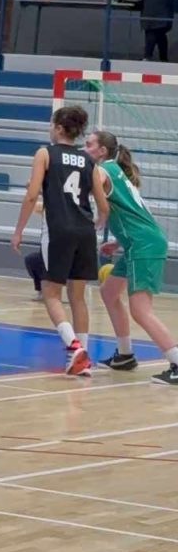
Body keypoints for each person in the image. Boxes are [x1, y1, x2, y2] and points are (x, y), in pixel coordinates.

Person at [11, 105, 109, 376]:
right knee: (78, 297)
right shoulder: (88, 160)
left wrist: (18, 230)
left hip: (58, 230)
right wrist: (99, 220)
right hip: (85, 231)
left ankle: (73, 346)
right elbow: (103, 204)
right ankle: (83, 358)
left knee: (51, 292)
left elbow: (32, 195)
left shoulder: (45, 153)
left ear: (57, 127)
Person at [85, 129, 178, 385]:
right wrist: (119, 241)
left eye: (89, 144)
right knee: (108, 292)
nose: (85, 148)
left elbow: (91, 184)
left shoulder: (104, 170)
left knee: (140, 310)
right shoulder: (117, 172)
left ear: (102, 151)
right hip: (139, 242)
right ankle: (125, 355)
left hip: (143, 245)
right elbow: (136, 213)